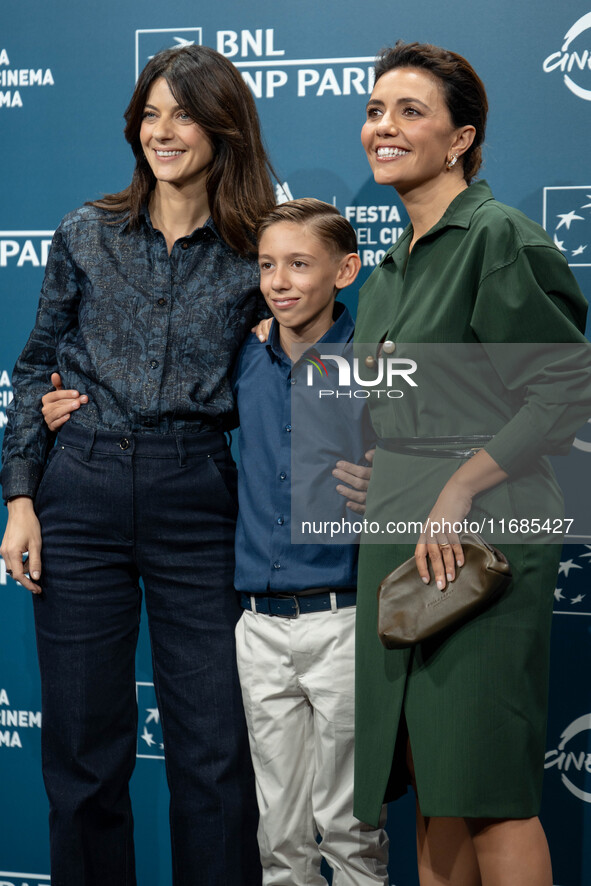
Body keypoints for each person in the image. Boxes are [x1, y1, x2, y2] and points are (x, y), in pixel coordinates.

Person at [0, 44, 277, 886]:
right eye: (150, 113)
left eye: (183, 113)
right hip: (77, 489)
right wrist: (19, 499)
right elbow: (32, 367)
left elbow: (298, 364)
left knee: (215, 751)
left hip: (196, 493)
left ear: (222, 127)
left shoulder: (258, 247)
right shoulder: (86, 232)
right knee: (83, 750)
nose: (163, 131)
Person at [352, 41, 590, 886]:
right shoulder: (385, 272)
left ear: (460, 140)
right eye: (376, 109)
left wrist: (455, 487)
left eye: (409, 111)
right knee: (434, 783)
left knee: (488, 788)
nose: (383, 126)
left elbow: (567, 388)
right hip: (400, 539)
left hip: (480, 537)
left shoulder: (497, 239)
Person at [232, 198, 388, 885]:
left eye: (299, 264)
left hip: (345, 621)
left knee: (351, 829)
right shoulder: (245, 356)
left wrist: (398, 478)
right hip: (259, 627)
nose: (280, 280)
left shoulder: (373, 360)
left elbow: (442, 452)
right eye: (268, 265)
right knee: (278, 836)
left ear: (344, 270)